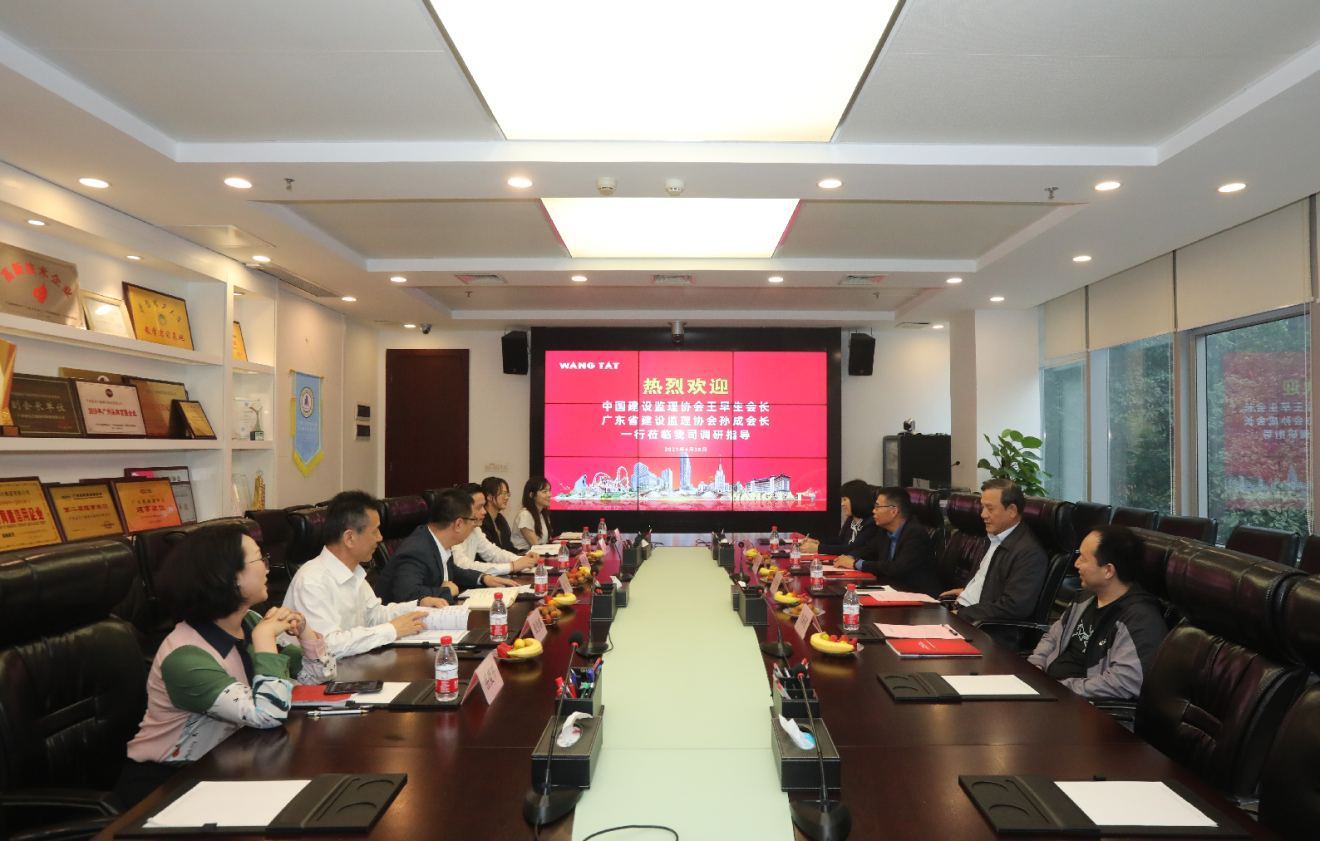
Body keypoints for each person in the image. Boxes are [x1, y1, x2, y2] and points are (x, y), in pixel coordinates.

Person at [116, 524, 335, 807]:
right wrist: (265, 638)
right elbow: (268, 714)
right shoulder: (185, 658)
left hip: (226, 761)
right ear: (228, 577)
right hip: (167, 783)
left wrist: (304, 629)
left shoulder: (250, 622)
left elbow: (319, 677)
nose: (268, 567)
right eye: (260, 559)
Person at [284, 490, 449, 658]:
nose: (380, 538)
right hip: (319, 673)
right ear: (349, 538)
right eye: (375, 531)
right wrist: (391, 630)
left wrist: (418, 606)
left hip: (352, 664)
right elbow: (328, 646)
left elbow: (374, 616)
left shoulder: (354, 572)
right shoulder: (311, 582)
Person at [1029, 526, 1168, 701]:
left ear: (1108, 570)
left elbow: (1124, 682)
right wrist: (1036, 665)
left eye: (1083, 559)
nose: (1076, 564)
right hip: (1050, 691)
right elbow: (1053, 637)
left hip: (1080, 705)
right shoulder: (1085, 598)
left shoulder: (1140, 620)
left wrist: (1058, 688)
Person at [940, 478, 1048, 646]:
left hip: (987, 631)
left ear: (1012, 510)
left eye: (990, 509)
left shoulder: (1029, 552)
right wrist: (968, 591)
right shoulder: (993, 537)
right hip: (967, 614)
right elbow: (990, 582)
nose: (983, 514)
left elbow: (1014, 606)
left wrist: (961, 615)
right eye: (983, 507)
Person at [376, 487, 518, 604]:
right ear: (458, 524)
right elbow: (407, 595)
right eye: (473, 521)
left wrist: (483, 578)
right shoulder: (417, 552)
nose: (474, 526)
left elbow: (452, 571)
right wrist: (447, 591)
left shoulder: (437, 541)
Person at [836, 487, 941, 596]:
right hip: (894, 590)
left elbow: (897, 568)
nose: (873, 511)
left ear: (893, 511)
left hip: (919, 595)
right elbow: (867, 549)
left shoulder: (915, 534)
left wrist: (856, 564)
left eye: (877, 507)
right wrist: (849, 558)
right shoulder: (885, 530)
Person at [453, 482, 537, 575]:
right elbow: (465, 566)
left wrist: (521, 559)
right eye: (479, 507)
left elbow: (493, 553)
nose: (484, 511)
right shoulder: (452, 531)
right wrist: (512, 566)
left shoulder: (476, 529)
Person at [799, 479, 878, 557]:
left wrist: (819, 548)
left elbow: (853, 548)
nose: (842, 504)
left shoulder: (872, 523)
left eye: (845, 499)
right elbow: (840, 540)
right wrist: (817, 542)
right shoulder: (851, 519)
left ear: (857, 500)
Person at [512, 477, 554, 552]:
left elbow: (547, 542)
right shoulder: (525, 515)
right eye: (544, 491)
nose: (549, 495)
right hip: (523, 555)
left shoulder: (542, 514)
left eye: (549, 491)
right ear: (531, 495)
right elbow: (536, 546)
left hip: (537, 554)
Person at [480, 476, 517, 552]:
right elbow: (490, 552)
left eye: (507, 494)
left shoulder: (500, 519)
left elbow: (509, 548)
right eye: (503, 493)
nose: (506, 497)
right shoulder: (482, 520)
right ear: (489, 497)